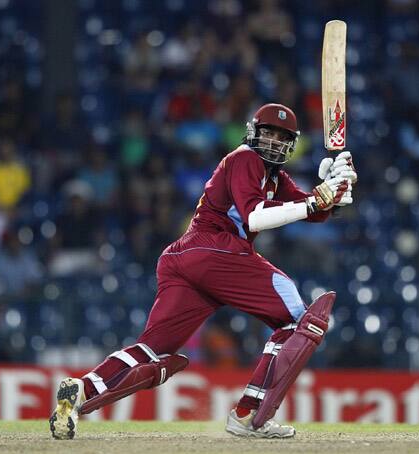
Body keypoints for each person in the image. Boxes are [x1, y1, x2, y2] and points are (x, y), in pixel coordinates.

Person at [49, 103, 357, 439]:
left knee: (153, 350)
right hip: (215, 249)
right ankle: (248, 414)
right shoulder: (244, 158)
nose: (273, 141)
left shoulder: (273, 176)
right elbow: (257, 216)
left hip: (187, 257)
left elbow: (311, 211)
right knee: (299, 319)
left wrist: (335, 189)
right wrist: (316, 201)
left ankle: (79, 392)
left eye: (281, 137)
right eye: (268, 132)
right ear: (253, 132)